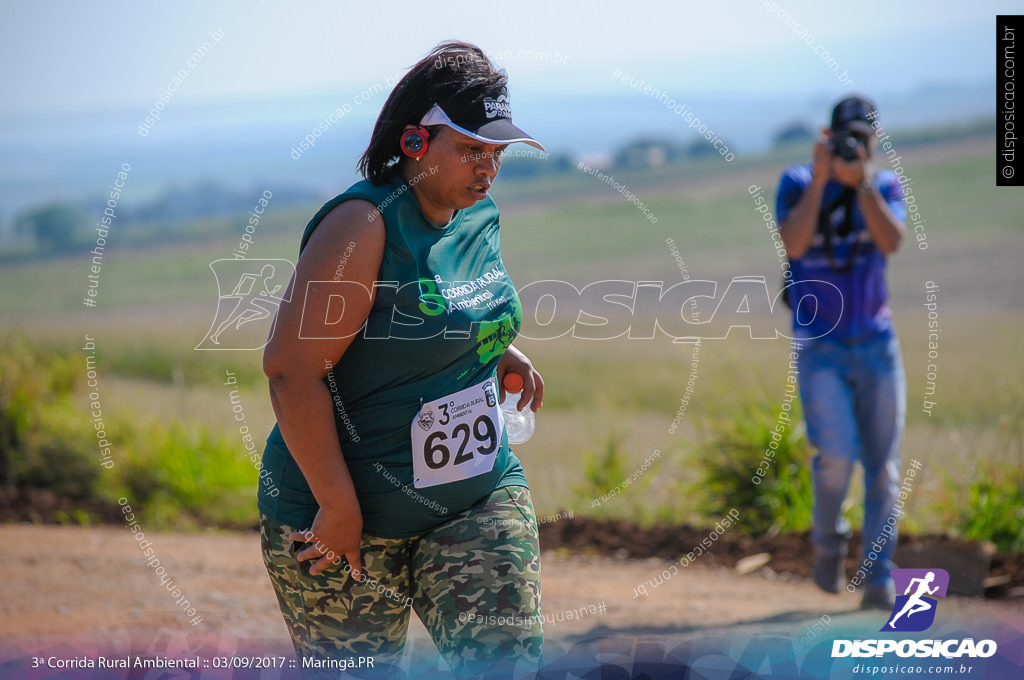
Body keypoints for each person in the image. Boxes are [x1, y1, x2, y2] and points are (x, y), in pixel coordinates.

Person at [257, 41, 546, 677]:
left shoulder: (478, 214)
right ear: (415, 143)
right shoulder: (363, 225)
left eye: (496, 153)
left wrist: (495, 351)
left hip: (476, 500)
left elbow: (447, 312)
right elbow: (291, 371)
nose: (487, 169)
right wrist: (338, 508)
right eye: (471, 150)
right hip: (341, 522)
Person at [776, 95, 907, 609]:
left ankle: (877, 578)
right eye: (845, 138)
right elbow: (794, 242)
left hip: (876, 343)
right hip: (821, 346)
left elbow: (892, 241)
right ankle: (828, 545)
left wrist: (863, 184)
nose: (855, 146)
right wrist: (822, 176)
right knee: (834, 457)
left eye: (864, 138)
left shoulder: (886, 186)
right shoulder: (798, 181)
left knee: (884, 468)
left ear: (874, 142)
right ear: (827, 139)